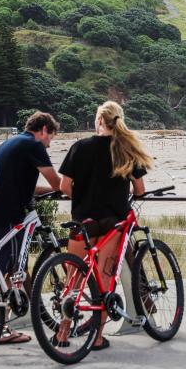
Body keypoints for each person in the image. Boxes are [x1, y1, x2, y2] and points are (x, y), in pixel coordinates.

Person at [57, 100, 153, 350]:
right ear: (119, 120)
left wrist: (82, 197)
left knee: (73, 279)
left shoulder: (80, 147)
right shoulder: (126, 150)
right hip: (113, 223)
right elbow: (140, 191)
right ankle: (97, 338)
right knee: (104, 279)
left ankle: (63, 334)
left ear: (99, 121)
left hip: (82, 222)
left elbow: (64, 187)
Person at [0, 111, 62, 344]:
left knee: (1, 273)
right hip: (6, 217)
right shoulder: (34, 145)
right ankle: (1, 331)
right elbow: (57, 182)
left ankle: (1, 329)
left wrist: (46, 191)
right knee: (1, 274)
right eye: (50, 138)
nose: (49, 144)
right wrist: (68, 188)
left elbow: (27, 186)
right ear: (43, 130)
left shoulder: (12, 143)